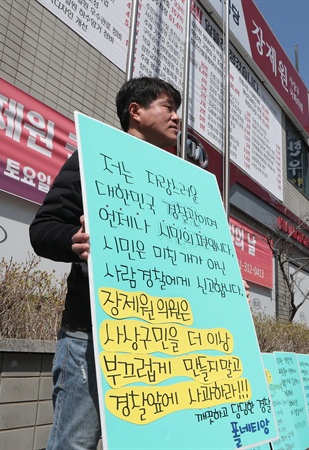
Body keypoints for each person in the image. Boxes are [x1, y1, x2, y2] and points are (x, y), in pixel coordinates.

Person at [29, 77, 181, 450]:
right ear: (136, 111)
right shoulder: (93, 158)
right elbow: (43, 228)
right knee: (75, 443)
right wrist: (73, 241)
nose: (177, 117)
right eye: (168, 107)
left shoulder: (176, 181)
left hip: (159, 341)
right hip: (91, 336)